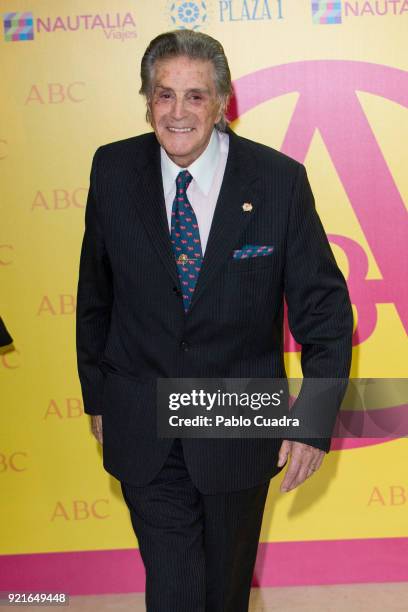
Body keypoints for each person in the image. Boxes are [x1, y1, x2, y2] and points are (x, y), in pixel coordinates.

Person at [76, 30, 353, 612]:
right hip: (142, 419)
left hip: (238, 422)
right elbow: (94, 297)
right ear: (148, 99)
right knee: (175, 586)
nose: (178, 113)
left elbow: (325, 312)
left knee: (223, 591)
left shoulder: (278, 182)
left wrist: (312, 420)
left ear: (224, 102)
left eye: (195, 96)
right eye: (164, 95)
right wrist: (98, 399)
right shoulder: (112, 169)